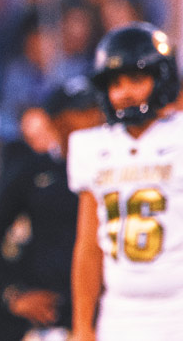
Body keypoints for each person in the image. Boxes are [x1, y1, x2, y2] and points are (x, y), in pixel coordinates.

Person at [67, 22, 183, 340]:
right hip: (119, 312)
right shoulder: (92, 146)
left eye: (136, 79)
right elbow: (88, 247)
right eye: (115, 83)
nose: (124, 92)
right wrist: (82, 326)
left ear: (162, 78)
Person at [0, 76, 103, 341]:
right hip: (53, 315)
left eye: (95, 109)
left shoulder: (116, 166)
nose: (91, 119)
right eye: (80, 112)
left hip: (112, 309)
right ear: (56, 121)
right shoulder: (34, 170)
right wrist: (12, 293)